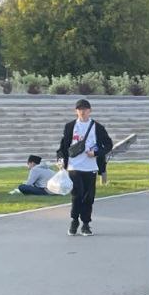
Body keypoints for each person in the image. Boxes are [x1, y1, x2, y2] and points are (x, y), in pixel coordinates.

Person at [58, 98, 114, 236]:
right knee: (77, 194)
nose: (82, 112)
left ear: (90, 110)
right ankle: (74, 220)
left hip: (91, 167)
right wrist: (60, 159)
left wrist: (96, 153)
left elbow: (108, 145)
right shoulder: (70, 126)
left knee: (89, 197)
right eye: (79, 109)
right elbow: (63, 146)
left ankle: (86, 224)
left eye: (85, 109)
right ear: (76, 111)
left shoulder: (97, 127)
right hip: (74, 166)